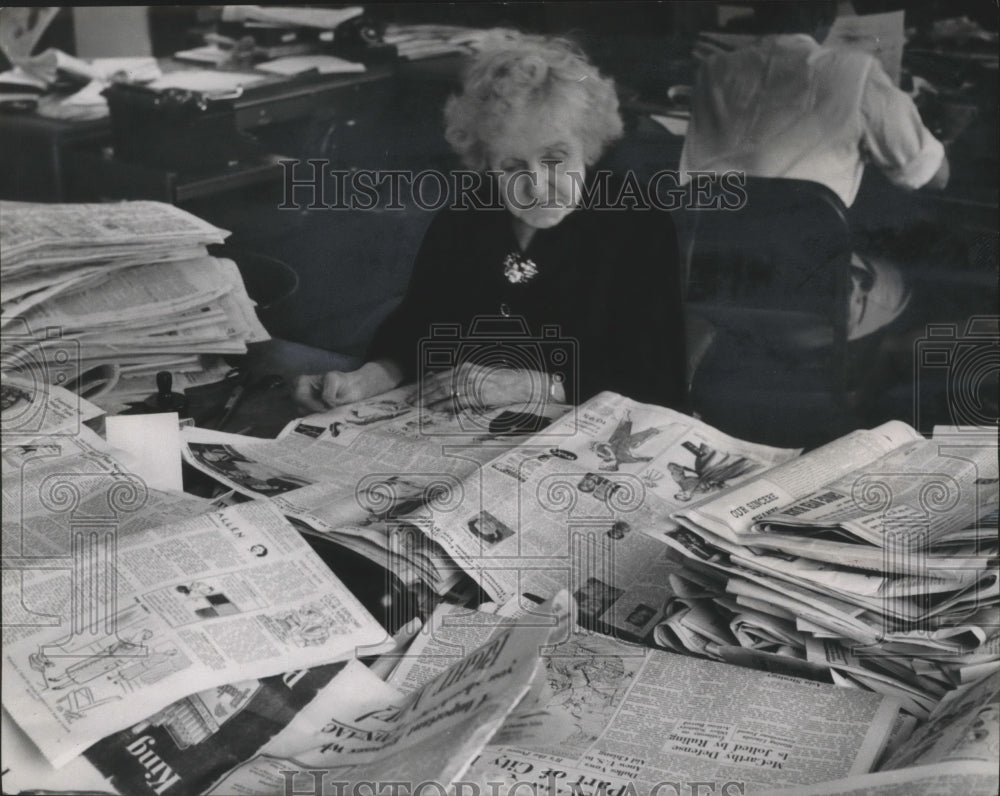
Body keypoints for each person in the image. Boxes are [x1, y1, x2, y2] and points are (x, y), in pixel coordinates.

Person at [295, 31, 687, 415]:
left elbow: (658, 382)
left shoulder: (638, 223)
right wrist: (369, 377)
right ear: (486, 163)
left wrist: (531, 384)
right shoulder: (466, 216)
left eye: (555, 158)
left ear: (589, 146)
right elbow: (417, 326)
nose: (535, 184)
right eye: (512, 166)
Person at [679, 1, 949, 341]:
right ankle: (862, 385)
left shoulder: (712, 71)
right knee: (917, 279)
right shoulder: (858, 71)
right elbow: (936, 176)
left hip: (714, 297)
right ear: (828, 18)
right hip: (812, 306)